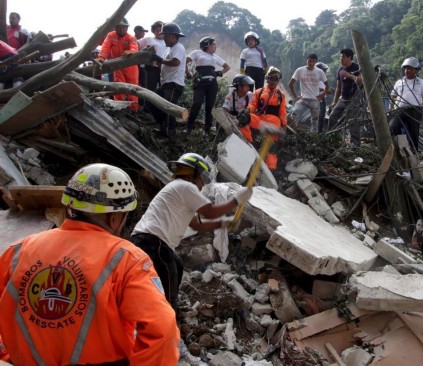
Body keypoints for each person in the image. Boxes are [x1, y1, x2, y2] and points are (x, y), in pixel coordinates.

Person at [0, 163, 179, 365]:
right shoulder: (126, 259)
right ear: (114, 218)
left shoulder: (17, 251)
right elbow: (162, 330)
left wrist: (7, 356)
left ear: (70, 206)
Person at [131, 153, 252, 309]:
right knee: (167, 286)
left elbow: (197, 225)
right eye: (203, 178)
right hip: (153, 242)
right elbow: (209, 212)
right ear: (192, 174)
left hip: (149, 241)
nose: (203, 185)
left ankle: (167, 308)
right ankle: (167, 316)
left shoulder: (179, 190)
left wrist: (223, 223)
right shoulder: (184, 186)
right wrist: (236, 200)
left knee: (177, 264)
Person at [240, 66, 287, 170]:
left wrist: (284, 129)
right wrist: (247, 110)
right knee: (244, 118)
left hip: (273, 124)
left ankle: (271, 169)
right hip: (260, 120)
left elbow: (283, 113)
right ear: (267, 79)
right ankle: (248, 143)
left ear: (278, 80)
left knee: (272, 146)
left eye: (276, 78)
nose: (273, 81)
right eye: (271, 78)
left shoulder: (281, 95)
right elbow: (252, 105)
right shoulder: (259, 92)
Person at [148, 23, 187, 139]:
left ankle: (170, 135)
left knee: (168, 108)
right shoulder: (168, 50)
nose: (163, 38)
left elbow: (176, 62)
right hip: (166, 83)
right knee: (152, 102)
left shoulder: (179, 47)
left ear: (172, 36)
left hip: (174, 84)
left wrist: (161, 60)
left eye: (165, 36)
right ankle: (163, 127)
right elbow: (164, 63)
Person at [185, 36, 230, 135]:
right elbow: (186, 61)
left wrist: (220, 73)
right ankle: (189, 127)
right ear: (207, 45)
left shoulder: (215, 56)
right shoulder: (197, 53)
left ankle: (207, 129)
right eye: (214, 44)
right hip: (200, 81)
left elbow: (227, 67)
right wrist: (187, 73)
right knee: (197, 103)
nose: (215, 46)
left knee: (210, 106)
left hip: (212, 83)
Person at [97, 18, 140, 112]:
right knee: (118, 88)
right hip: (118, 66)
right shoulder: (110, 35)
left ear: (127, 28)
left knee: (132, 89)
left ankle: (133, 110)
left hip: (131, 67)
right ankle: (119, 109)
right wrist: (101, 57)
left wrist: (131, 52)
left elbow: (134, 48)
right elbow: (105, 48)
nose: (121, 30)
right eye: (119, 27)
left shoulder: (131, 38)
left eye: (124, 28)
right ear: (115, 28)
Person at [389, 57, 423, 152]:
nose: (408, 70)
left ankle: (414, 152)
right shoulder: (399, 82)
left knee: (414, 132)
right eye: (406, 68)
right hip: (400, 110)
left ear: (415, 70)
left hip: (415, 110)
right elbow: (392, 97)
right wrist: (390, 110)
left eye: (411, 68)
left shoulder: (421, 82)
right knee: (392, 127)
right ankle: (398, 148)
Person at [329, 48, 362, 148]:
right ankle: (333, 140)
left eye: (343, 57)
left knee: (353, 121)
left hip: (354, 99)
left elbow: (360, 81)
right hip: (343, 98)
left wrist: (348, 75)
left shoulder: (356, 67)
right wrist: (334, 101)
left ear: (349, 57)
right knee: (332, 116)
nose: (341, 59)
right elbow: (339, 87)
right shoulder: (340, 70)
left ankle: (355, 145)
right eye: (340, 57)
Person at [288, 53, 329, 132]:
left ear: (316, 62)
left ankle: (313, 138)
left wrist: (322, 95)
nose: (311, 63)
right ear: (306, 61)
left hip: (315, 100)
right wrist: (295, 96)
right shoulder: (300, 70)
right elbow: (290, 84)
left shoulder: (320, 72)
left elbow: (327, 86)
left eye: (313, 61)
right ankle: (293, 129)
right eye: (309, 61)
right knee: (294, 112)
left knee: (315, 121)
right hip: (304, 98)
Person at [138, 21, 167, 92]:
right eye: (157, 30)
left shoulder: (166, 41)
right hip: (152, 67)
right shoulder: (149, 39)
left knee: (163, 88)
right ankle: (148, 102)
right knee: (150, 88)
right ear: (153, 31)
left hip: (164, 67)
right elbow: (135, 43)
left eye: (161, 30)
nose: (159, 32)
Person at [223, 74, 255, 139]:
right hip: (232, 121)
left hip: (244, 121)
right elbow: (225, 110)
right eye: (246, 85)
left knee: (247, 135)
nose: (249, 88)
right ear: (239, 87)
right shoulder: (230, 96)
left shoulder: (250, 95)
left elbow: (254, 107)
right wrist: (232, 120)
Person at [315, 62, 331, 132]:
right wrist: (327, 91)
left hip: (322, 99)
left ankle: (319, 131)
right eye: (323, 70)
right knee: (319, 116)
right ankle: (317, 132)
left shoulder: (322, 80)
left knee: (322, 116)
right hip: (317, 100)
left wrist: (327, 91)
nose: (324, 72)